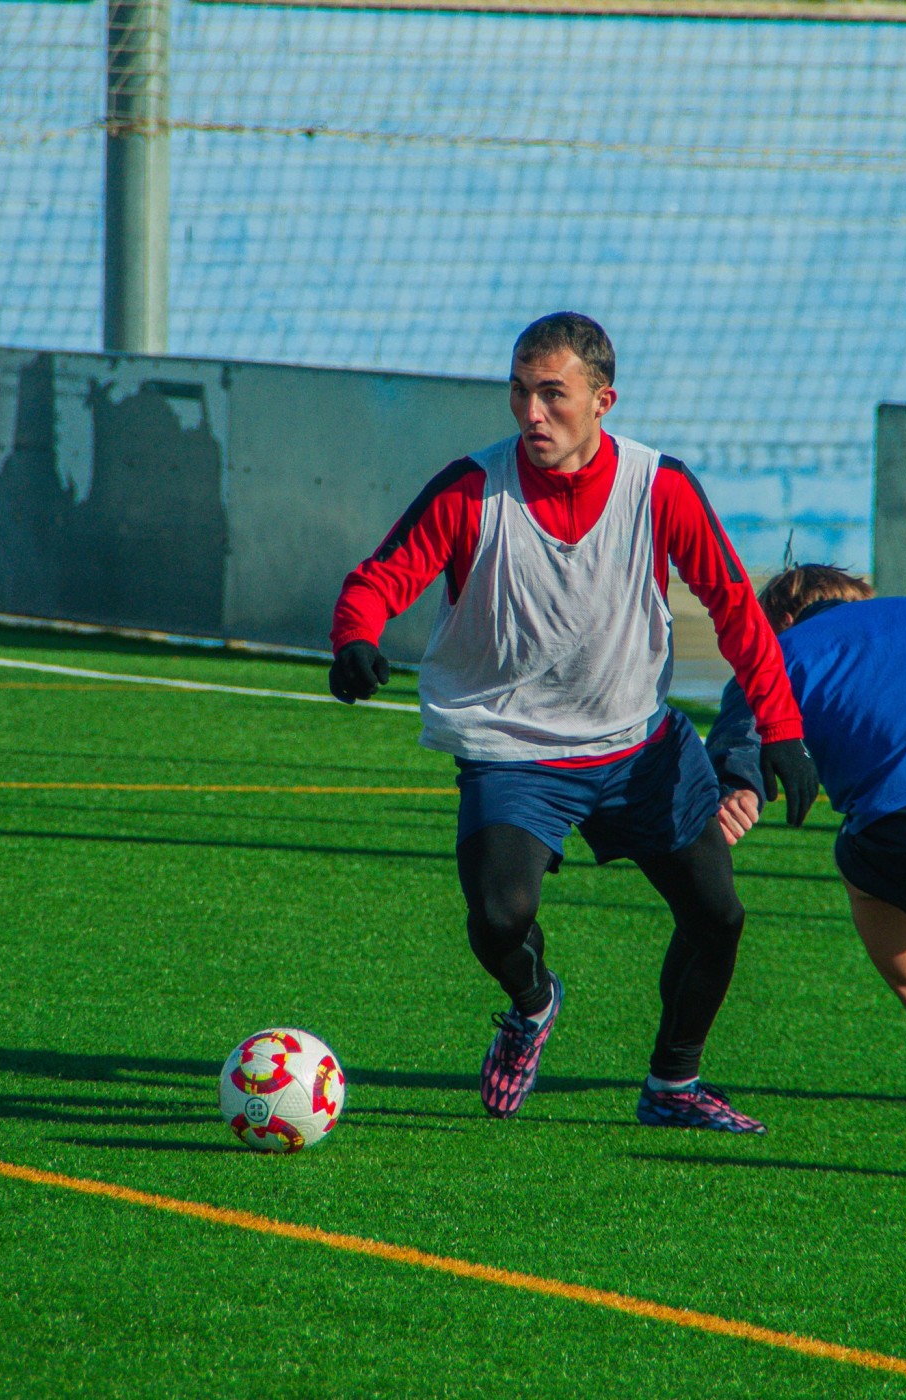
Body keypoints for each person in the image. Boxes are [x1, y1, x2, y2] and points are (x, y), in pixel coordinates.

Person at [329, 311, 817, 1133]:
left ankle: (673, 1085)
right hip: (512, 750)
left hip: (639, 745)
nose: (531, 413)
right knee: (498, 920)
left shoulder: (659, 487)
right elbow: (379, 577)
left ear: (603, 401)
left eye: (553, 395)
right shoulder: (470, 488)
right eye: (520, 392)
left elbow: (736, 606)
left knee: (718, 919)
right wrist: (354, 638)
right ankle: (531, 1006)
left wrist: (783, 729)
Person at [708, 564, 906, 1106]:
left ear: (782, 618)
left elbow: (739, 745)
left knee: (863, 876)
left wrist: (739, 789)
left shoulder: (775, 655)